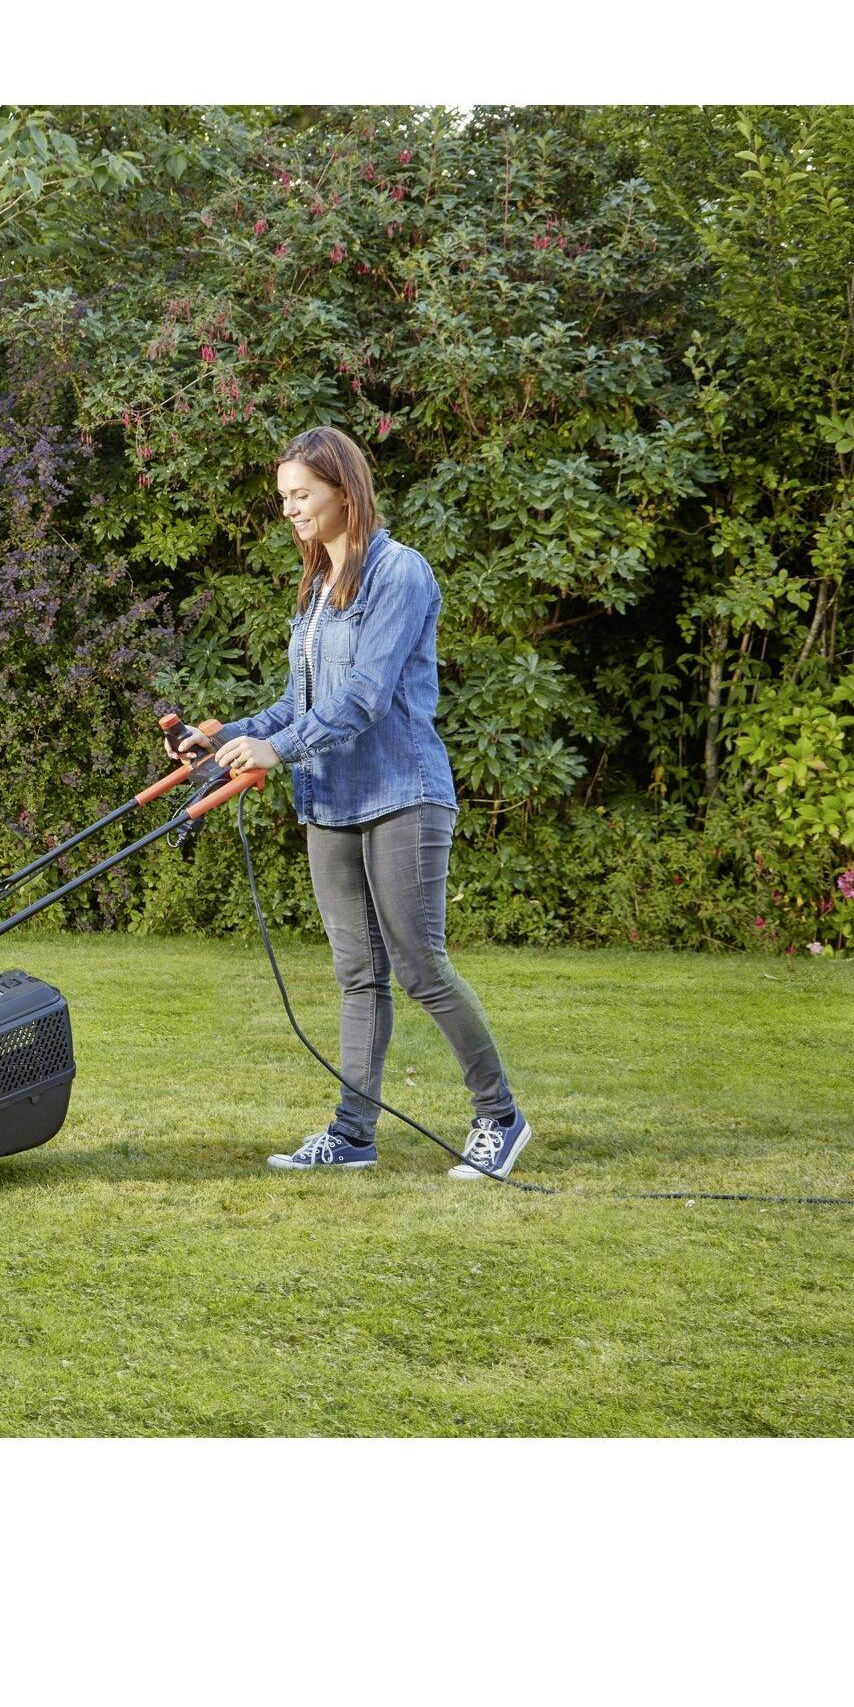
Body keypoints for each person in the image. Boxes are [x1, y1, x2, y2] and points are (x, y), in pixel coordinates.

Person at [190, 424, 531, 1178]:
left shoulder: (398, 574)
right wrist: (228, 737)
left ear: (346, 491)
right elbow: (298, 699)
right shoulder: (316, 583)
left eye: (301, 495)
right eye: (283, 498)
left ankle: (499, 1118)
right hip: (330, 797)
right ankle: (352, 1134)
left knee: (419, 965)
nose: (289, 510)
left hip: (402, 793)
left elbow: (368, 697)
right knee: (356, 974)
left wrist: (276, 750)